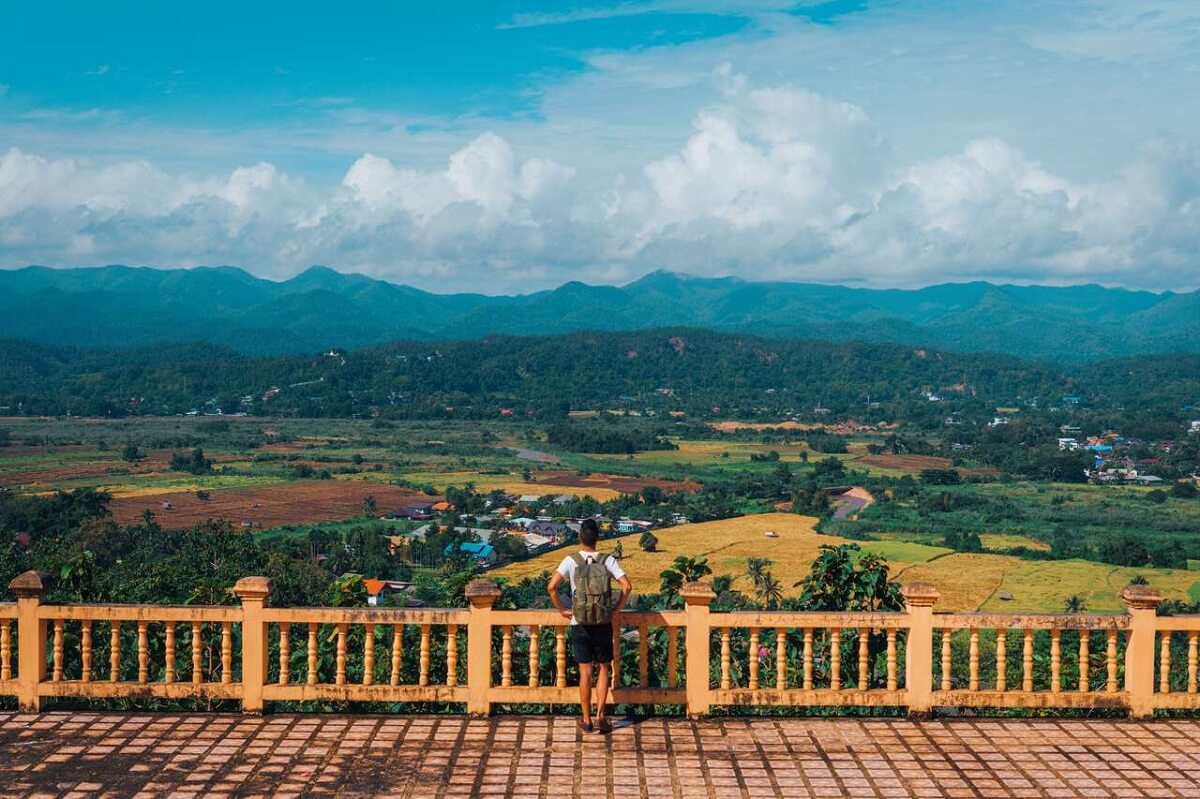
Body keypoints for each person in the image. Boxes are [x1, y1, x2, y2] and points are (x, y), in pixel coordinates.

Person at [547, 518, 632, 733]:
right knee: (603, 668)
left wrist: (562, 610)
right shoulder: (607, 560)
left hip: (580, 621)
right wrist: (615, 610)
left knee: (585, 671)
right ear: (597, 538)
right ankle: (601, 716)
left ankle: (586, 720)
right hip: (603, 621)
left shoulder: (571, 560)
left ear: (579, 537)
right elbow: (627, 586)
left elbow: (552, 587)